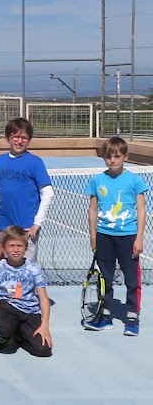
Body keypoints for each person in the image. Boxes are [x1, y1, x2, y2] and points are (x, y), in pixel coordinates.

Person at [84, 136, 147, 334]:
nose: (112, 160)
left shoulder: (135, 181)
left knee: (132, 280)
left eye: (117, 156)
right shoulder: (97, 181)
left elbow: (141, 211)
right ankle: (105, 316)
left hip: (128, 237)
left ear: (125, 157)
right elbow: (92, 209)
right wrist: (93, 235)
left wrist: (139, 238)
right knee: (105, 278)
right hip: (104, 237)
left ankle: (132, 317)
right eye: (108, 156)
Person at [0, 118, 53, 262]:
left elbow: (48, 193)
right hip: (4, 226)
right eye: (15, 136)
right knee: (7, 268)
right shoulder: (0, 161)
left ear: (29, 140)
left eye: (24, 138)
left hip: (27, 227)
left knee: (27, 269)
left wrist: (37, 223)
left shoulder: (35, 162)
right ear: (8, 138)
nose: (19, 141)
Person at [0, 226, 53, 357]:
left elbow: (44, 299)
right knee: (5, 338)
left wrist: (45, 325)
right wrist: (0, 306)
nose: (16, 249)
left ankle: (20, 335)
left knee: (43, 350)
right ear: (3, 246)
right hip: (7, 309)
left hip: (30, 313)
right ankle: (5, 336)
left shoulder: (34, 269)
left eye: (20, 245)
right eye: (11, 245)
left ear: (26, 247)